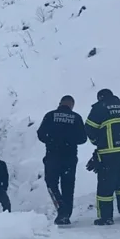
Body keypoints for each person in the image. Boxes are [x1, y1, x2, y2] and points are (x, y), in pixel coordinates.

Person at [85, 89, 120, 225]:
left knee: (105, 183)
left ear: (100, 97)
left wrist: (98, 142)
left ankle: (106, 217)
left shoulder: (100, 108)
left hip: (110, 152)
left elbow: (90, 129)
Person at [36, 95, 88, 225]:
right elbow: (83, 139)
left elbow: (41, 134)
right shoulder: (76, 118)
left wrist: (52, 139)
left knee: (51, 183)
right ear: (72, 105)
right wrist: (70, 140)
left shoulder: (50, 115)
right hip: (70, 157)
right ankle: (66, 215)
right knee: (68, 186)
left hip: (53, 156)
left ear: (60, 103)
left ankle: (61, 209)